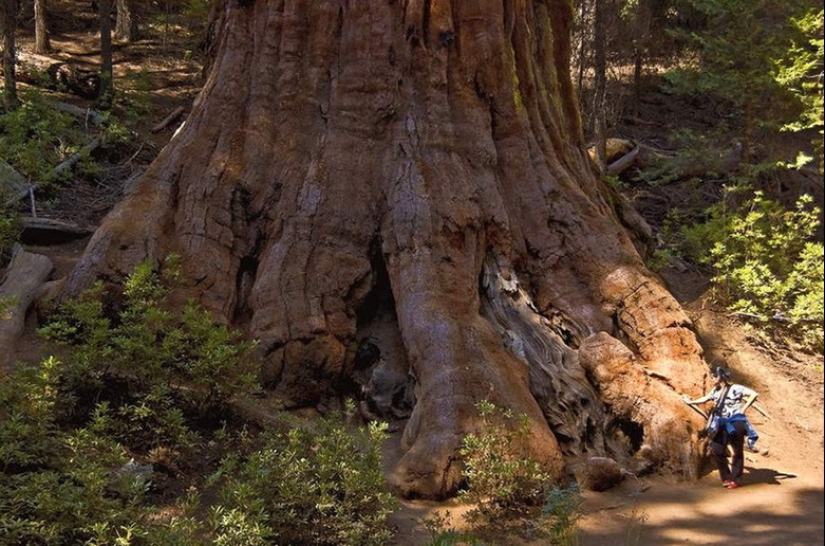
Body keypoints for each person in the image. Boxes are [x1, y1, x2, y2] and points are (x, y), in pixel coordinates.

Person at [683, 366, 759, 489]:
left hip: (735, 422)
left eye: (715, 376)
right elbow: (706, 399)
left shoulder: (736, 388)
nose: (712, 379)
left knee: (737, 451)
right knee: (717, 449)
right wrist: (690, 402)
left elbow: (754, 394)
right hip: (720, 423)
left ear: (721, 377)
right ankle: (727, 477)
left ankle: (736, 480)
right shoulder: (716, 390)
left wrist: (743, 409)